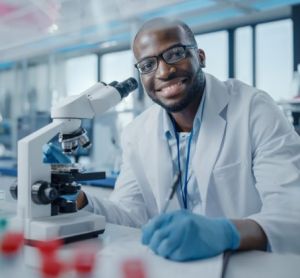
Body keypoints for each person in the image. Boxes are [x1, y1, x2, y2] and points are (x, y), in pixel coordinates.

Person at [45, 17, 300, 261]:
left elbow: (291, 212)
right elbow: (130, 216)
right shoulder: (137, 132)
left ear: (200, 57)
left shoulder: (253, 109)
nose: (164, 71)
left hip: (243, 265)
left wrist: (227, 233)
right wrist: (76, 197)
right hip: (169, 266)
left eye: (175, 54)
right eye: (147, 65)